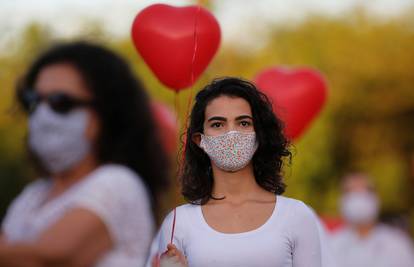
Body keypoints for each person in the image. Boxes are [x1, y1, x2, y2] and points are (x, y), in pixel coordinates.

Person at [0, 41, 169, 267]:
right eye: (33, 101)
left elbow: (47, 258)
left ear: (107, 113)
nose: (42, 115)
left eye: (60, 103)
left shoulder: (118, 183)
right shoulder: (32, 197)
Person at [147, 77, 324, 267]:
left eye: (243, 123)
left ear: (259, 135)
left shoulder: (296, 216)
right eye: (217, 124)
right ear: (200, 140)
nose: (231, 133)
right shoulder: (178, 222)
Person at [330, 173, 414, 267]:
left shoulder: (398, 244)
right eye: (350, 191)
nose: (359, 196)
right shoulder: (330, 245)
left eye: (366, 190)